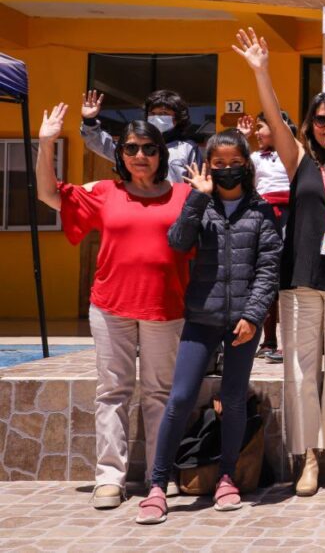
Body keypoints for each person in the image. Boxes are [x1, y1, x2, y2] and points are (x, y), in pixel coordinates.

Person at [234, 28, 325, 497]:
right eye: (320, 119)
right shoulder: (298, 158)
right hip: (299, 283)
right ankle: (310, 459)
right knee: (300, 374)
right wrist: (261, 71)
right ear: (310, 123)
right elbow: (276, 124)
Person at [36, 105, 191, 510]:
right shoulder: (104, 192)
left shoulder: (186, 195)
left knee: (160, 393)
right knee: (112, 392)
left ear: (162, 154)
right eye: (131, 148)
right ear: (120, 154)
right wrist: (47, 143)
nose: (140, 155)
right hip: (111, 307)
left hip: (166, 307)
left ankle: (160, 476)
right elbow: (48, 194)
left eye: (149, 148)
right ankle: (109, 477)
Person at [136, 131, 283, 524]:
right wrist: (198, 197)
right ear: (207, 166)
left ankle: (227, 477)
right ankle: (157, 484)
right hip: (202, 317)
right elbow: (178, 242)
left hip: (242, 325)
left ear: (247, 166)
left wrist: (253, 316)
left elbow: (268, 270)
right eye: (217, 164)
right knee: (181, 397)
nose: (225, 170)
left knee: (233, 399)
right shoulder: (198, 205)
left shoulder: (262, 212)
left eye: (233, 162)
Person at [237, 111, 297, 362]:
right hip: (264, 217)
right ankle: (268, 340)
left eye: (261, 127)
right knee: (267, 275)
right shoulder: (252, 158)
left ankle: (294, 342)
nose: (257, 133)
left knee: (290, 278)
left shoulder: (293, 153)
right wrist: (241, 138)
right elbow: (239, 176)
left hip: (292, 215)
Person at [80, 89, 202, 183]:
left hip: (176, 211)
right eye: (152, 113)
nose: (157, 117)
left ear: (178, 118)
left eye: (163, 113)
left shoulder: (188, 148)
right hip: (138, 208)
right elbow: (102, 145)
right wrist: (89, 120)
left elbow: (197, 184)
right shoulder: (136, 145)